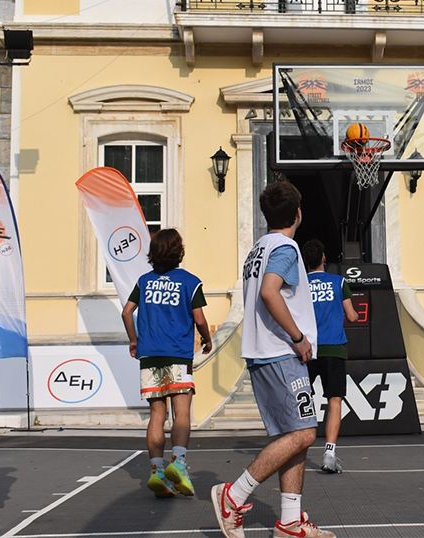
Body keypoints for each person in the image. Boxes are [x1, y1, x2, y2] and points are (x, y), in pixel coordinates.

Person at [211, 181, 333, 538]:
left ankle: (290, 520)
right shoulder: (285, 248)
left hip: (265, 352)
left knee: (295, 433)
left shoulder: (258, 248)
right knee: (305, 434)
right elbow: (269, 292)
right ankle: (234, 496)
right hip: (280, 352)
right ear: (298, 213)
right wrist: (297, 337)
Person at [121, 228, 212, 498]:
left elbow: (127, 312)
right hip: (177, 354)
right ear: (178, 251)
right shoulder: (190, 281)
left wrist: (134, 340)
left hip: (150, 354)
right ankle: (180, 464)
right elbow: (199, 318)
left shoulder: (144, 281)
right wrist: (207, 339)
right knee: (181, 412)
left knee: (157, 415)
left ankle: (157, 471)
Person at [300, 239, 358, 474]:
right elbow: (353, 316)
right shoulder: (339, 281)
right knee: (334, 400)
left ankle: (297, 449)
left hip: (307, 349)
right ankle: (329, 454)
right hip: (333, 348)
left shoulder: (299, 285)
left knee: (303, 401)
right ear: (324, 258)